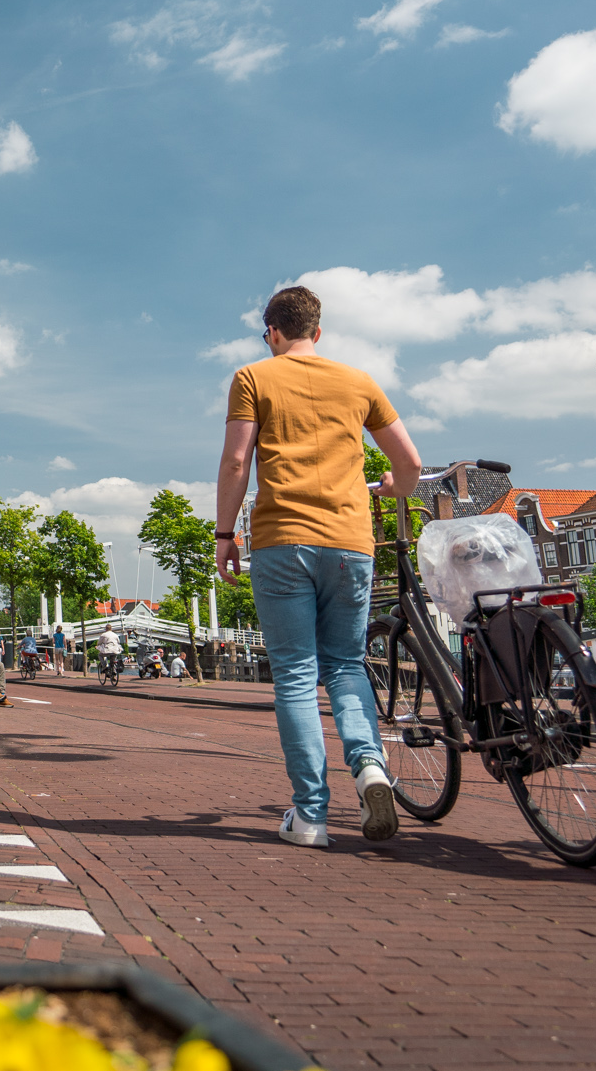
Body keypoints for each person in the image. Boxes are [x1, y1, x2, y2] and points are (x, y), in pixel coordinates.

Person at [218, 284, 422, 848]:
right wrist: (391, 487)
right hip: (351, 541)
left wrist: (223, 533)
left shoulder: (253, 377)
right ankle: (370, 767)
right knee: (346, 664)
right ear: (319, 331)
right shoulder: (358, 381)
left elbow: (238, 459)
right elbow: (409, 463)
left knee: (296, 675)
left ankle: (310, 817)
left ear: (273, 333)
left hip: (283, 540)